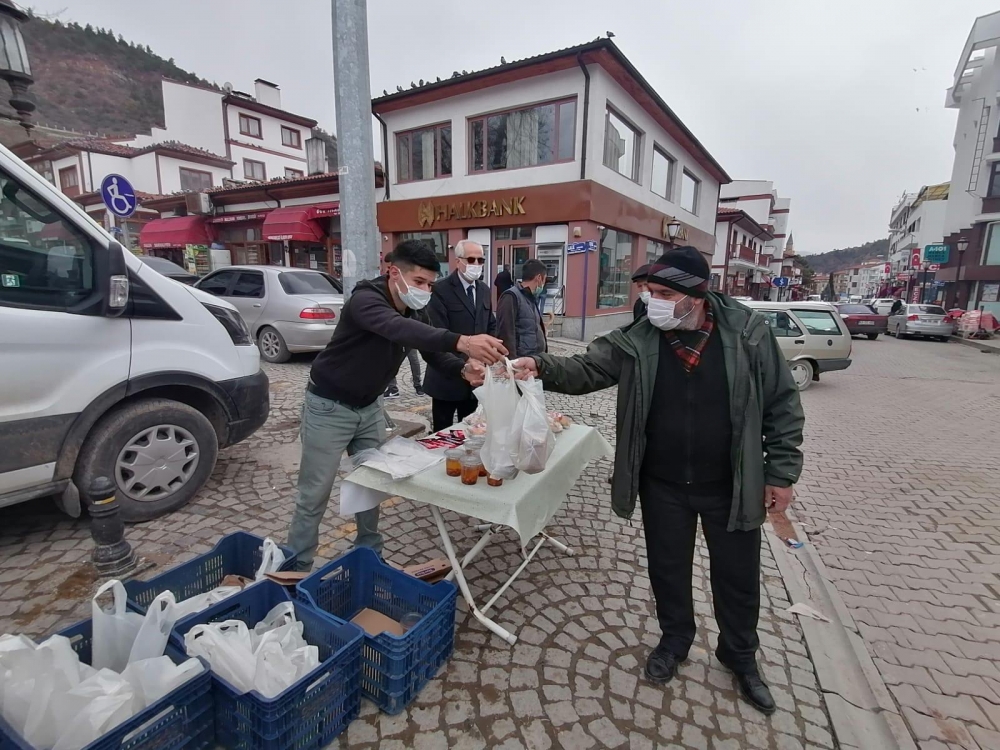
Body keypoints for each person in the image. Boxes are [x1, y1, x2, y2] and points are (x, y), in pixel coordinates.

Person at [512, 246, 804, 715]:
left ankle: (740, 656)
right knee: (667, 568)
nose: (653, 301)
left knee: (738, 576)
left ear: (697, 296)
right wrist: (539, 366)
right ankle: (675, 640)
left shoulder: (748, 333)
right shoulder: (641, 335)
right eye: (649, 291)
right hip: (662, 482)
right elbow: (588, 367)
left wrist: (782, 472)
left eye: (664, 293)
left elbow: (782, 404)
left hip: (731, 483)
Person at [286, 240, 506, 570]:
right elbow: (397, 328)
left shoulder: (416, 307)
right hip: (329, 406)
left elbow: (431, 351)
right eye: (419, 282)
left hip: (369, 407)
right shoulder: (366, 299)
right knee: (314, 493)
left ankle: (369, 555)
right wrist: (461, 341)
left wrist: (462, 367)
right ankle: (296, 567)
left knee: (373, 483)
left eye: (430, 284)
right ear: (393, 272)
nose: (425, 290)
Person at [423, 239, 496, 431]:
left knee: (472, 430)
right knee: (442, 432)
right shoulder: (440, 289)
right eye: (471, 259)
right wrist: (467, 358)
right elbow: (438, 333)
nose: (476, 265)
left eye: (481, 260)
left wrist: (488, 355)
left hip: (476, 379)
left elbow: (490, 324)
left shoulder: (484, 289)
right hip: (446, 377)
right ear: (458, 261)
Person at [497, 258, 548, 359]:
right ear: (539, 278)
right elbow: (506, 332)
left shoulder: (531, 297)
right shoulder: (511, 296)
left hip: (535, 360)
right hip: (521, 362)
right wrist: (513, 363)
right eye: (544, 280)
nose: (544, 284)